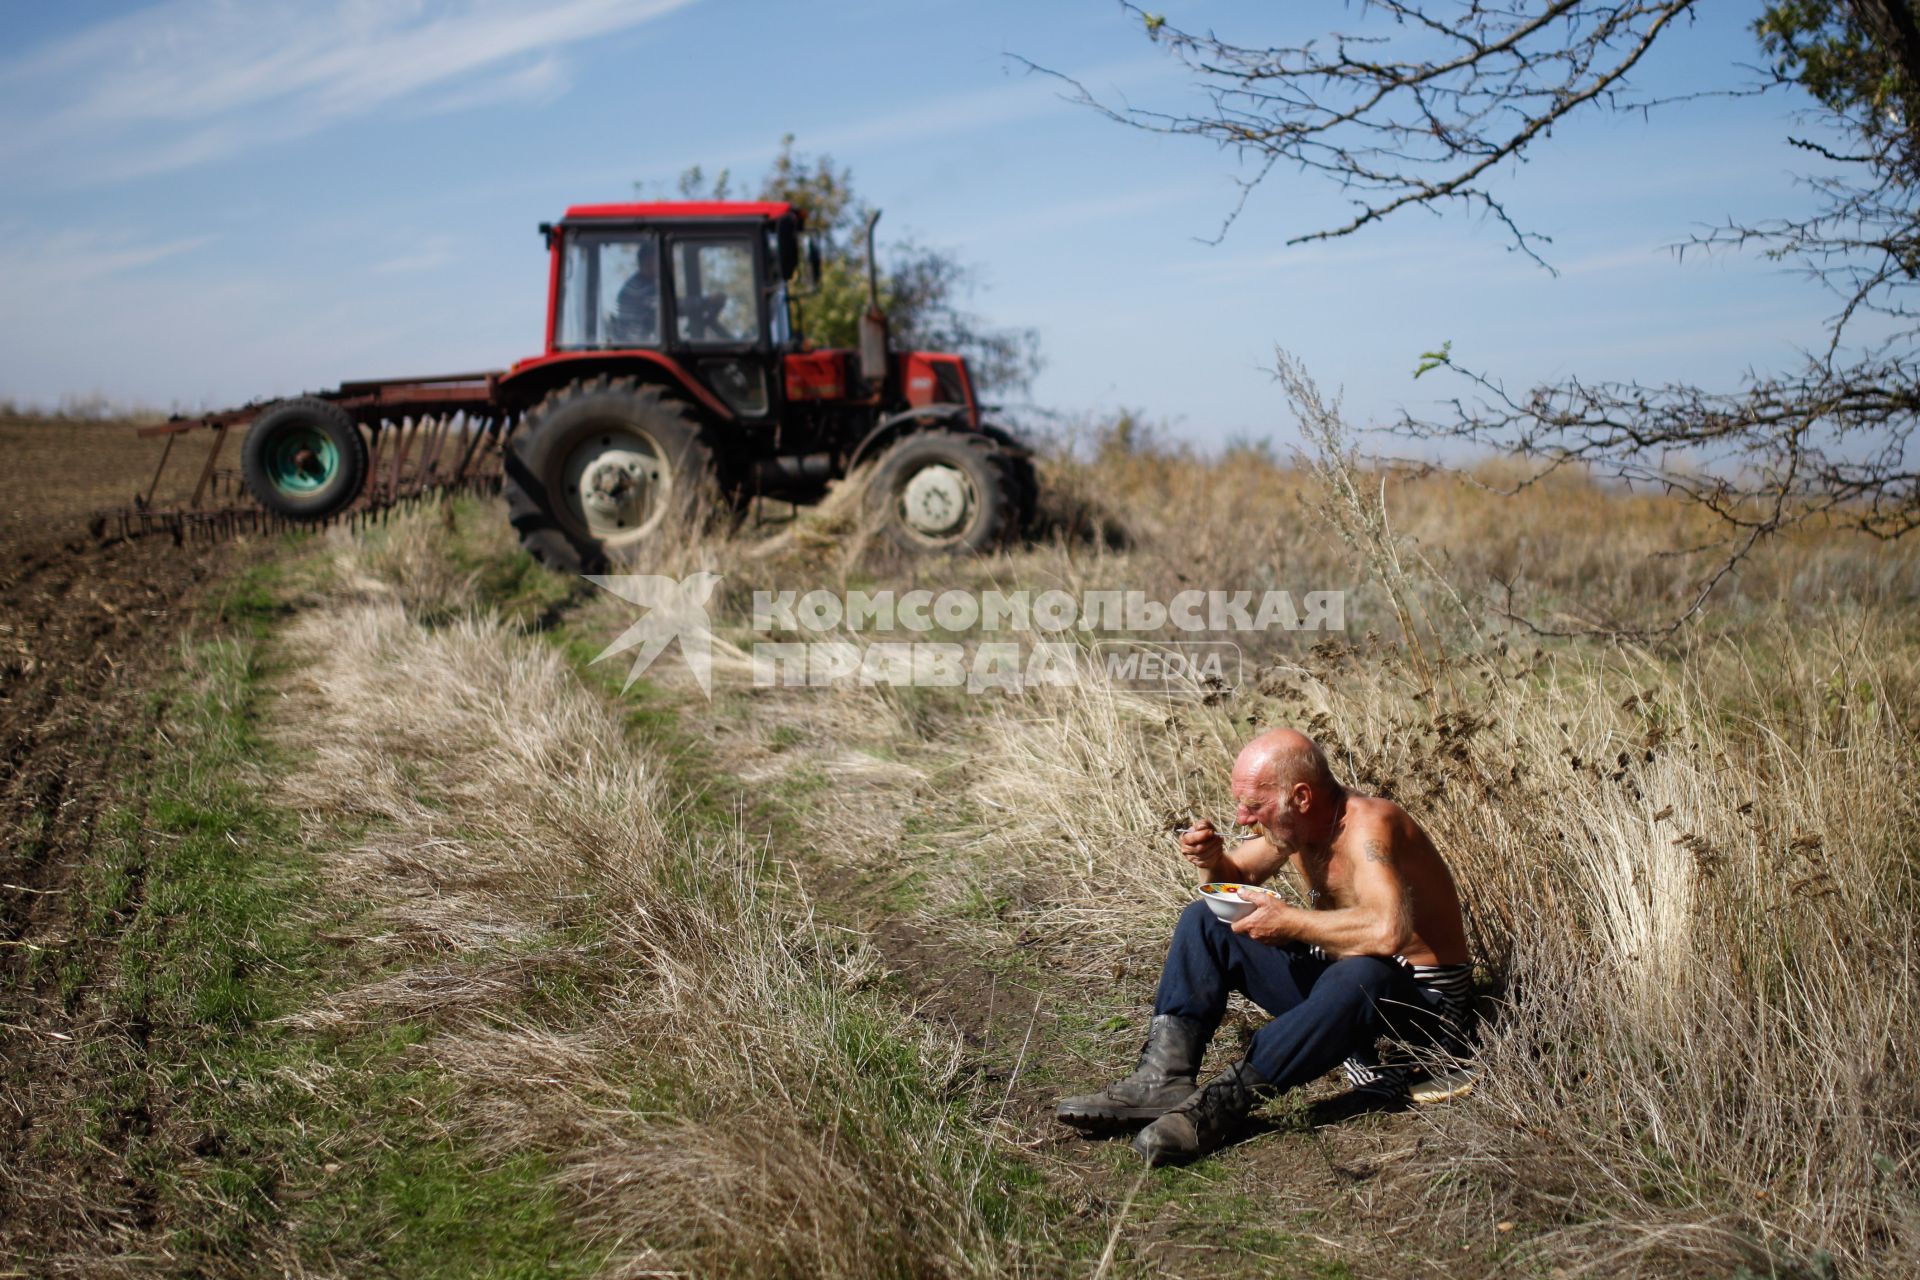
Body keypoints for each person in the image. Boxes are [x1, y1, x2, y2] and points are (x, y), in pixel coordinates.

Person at [1054, 728, 1476, 1165]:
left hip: (1420, 1007)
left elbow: (1388, 931)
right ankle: (1162, 1079)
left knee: (1362, 974)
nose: (1242, 818)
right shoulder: (1297, 829)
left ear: (1302, 797)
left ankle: (1219, 1106)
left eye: (1254, 806)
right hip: (1343, 987)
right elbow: (1233, 880)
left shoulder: (1370, 825)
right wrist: (1211, 860)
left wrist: (1290, 922)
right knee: (1205, 920)